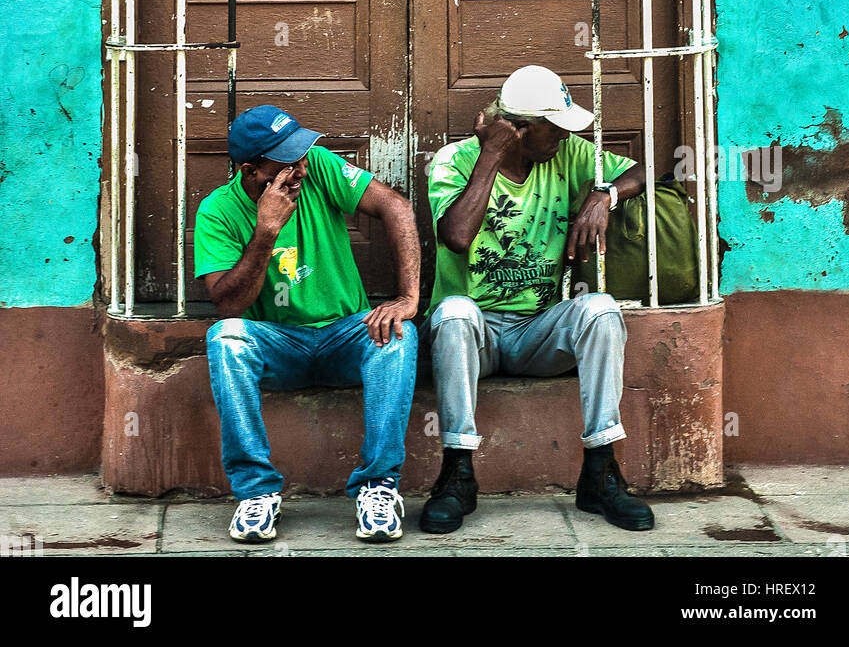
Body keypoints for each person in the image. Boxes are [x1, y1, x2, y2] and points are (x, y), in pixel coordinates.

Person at [420, 64, 654, 535]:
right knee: (453, 313)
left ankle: (600, 470)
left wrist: (603, 195)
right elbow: (457, 237)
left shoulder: (566, 155)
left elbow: (645, 168)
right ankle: (457, 473)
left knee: (601, 310)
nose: (566, 137)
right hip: (475, 335)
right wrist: (490, 157)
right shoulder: (454, 161)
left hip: (537, 331)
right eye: (555, 127)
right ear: (520, 130)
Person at [194, 104, 421, 545]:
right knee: (225, 338)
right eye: (285, 161)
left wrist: (409, 297)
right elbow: (228, 305)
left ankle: (378, 486)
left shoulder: (317, 166)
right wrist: (265, 232)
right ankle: (257, 492)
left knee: (399, 334)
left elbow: (397, 207)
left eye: (300, 155)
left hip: (344, 334)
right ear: (250, 170)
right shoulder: (217, 211)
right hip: (280, 346)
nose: (299, 168)